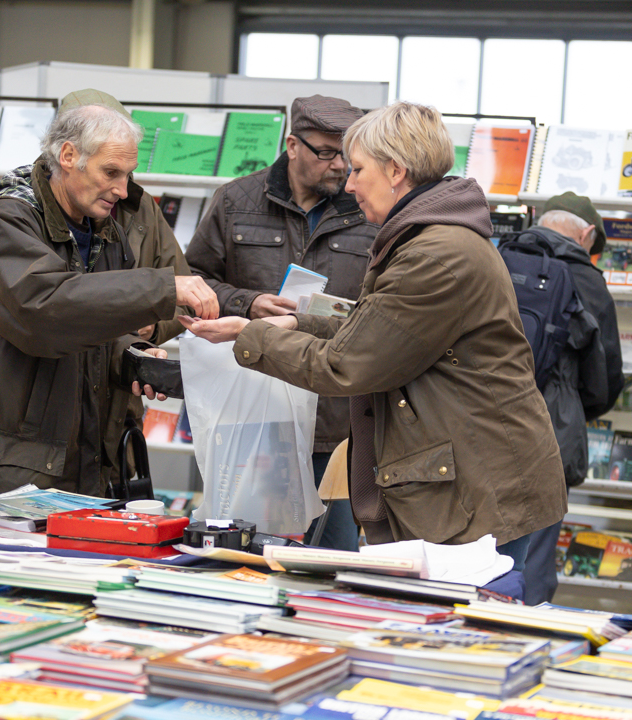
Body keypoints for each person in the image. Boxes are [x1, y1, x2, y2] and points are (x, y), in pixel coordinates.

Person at [180, 101, 567, 570]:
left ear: (396, 171)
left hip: (476, 485)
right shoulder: (432, 237)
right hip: (470, 470)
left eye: (358, 169)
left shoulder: (432, 254)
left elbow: (347, 364)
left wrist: (250, 334)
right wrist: (299, 322)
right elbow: (385, 325)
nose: (348, 184)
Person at [0, 96, 218, 530]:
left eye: (128, 175)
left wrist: (132, 355)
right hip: (6, 474)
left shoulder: (103, 226)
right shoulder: (9, 220)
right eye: (111, 173)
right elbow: (45, 311)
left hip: (83, 463)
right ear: (68, 156)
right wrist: (162, 287)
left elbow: (94, 325)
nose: (123, 190)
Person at [184, 94, 376, 551]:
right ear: (292, 145)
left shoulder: (369, 209)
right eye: (325, 152)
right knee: (247, 552)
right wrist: (247, 303)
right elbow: (192, 282)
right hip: (256, 417)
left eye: (347, 155)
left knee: (332, 558)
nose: (339, 166)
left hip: (336, 421)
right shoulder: (235, 201)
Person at [505, 192, 625, 605]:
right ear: (587, 234)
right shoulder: (587, 280)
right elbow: (604, 379)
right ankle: (527, 628)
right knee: (534, 554)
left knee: (476, 547)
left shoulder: (497, 257)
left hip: (479, 419)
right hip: (549, 430)